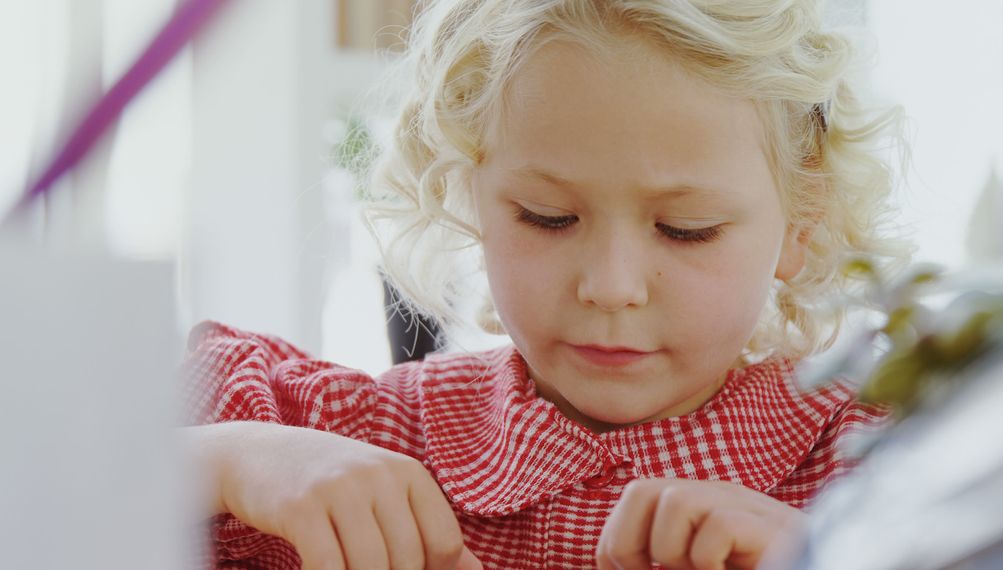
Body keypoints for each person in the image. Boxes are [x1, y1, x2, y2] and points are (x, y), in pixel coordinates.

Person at [182, 0, 916, 568]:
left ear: (803, 220)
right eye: (548, 217)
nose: (611, 286)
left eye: (685, 228)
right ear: (470, 192)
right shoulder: (369, 440)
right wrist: (230, 459)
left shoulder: (890, 453)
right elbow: (86, 472)